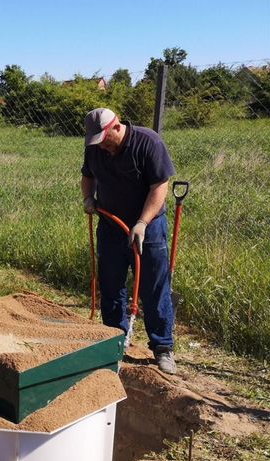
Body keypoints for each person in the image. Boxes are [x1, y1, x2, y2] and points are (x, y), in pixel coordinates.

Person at [81, 108, 177, 374]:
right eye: (95, 140)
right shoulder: (95, 147)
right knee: (111, 285)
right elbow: (88, 176)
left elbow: (160, 186)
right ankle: (114, 341)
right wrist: (88, 198)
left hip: (148, 229)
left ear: (116, 126)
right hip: (111, 226)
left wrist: (143, 222)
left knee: (153, 287)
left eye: (104, 138)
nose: (101, 145)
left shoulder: (148, 143)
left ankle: (162, 347)